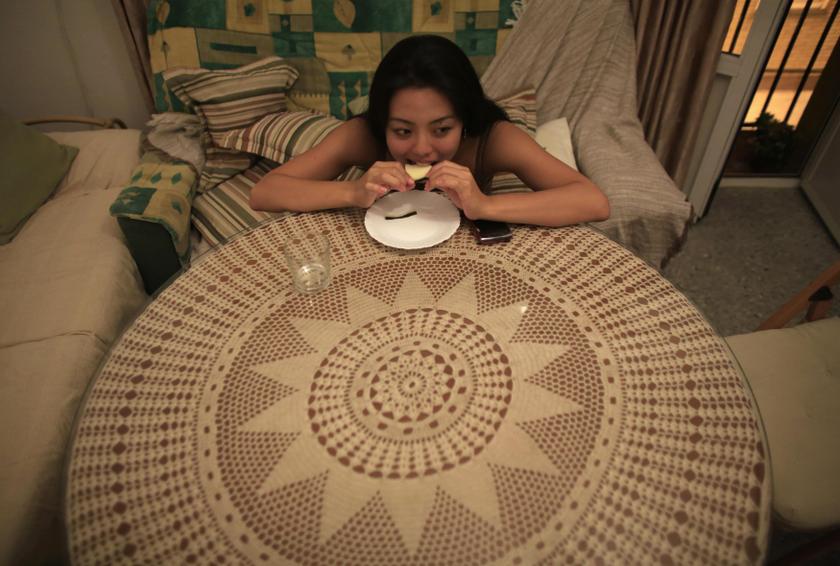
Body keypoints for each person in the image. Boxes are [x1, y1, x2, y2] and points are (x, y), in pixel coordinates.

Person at [249, 35, 609, 227]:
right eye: (403, 131)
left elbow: (592, 201)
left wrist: (484, 204)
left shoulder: (492, 140)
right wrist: (353, 191)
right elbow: (265, 193)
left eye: (442, 129)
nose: (422, 149)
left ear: (464, 118)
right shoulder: (362, 136)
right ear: (383, 122)